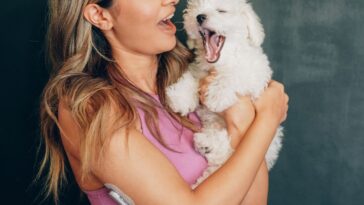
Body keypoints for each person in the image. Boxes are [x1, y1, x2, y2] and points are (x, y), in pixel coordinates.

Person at [37, 0, 289, 204]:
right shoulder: (88, 107)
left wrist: (240, 122)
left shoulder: (195, 81)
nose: (173, 0)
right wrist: (266, 119)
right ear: (100, 15)